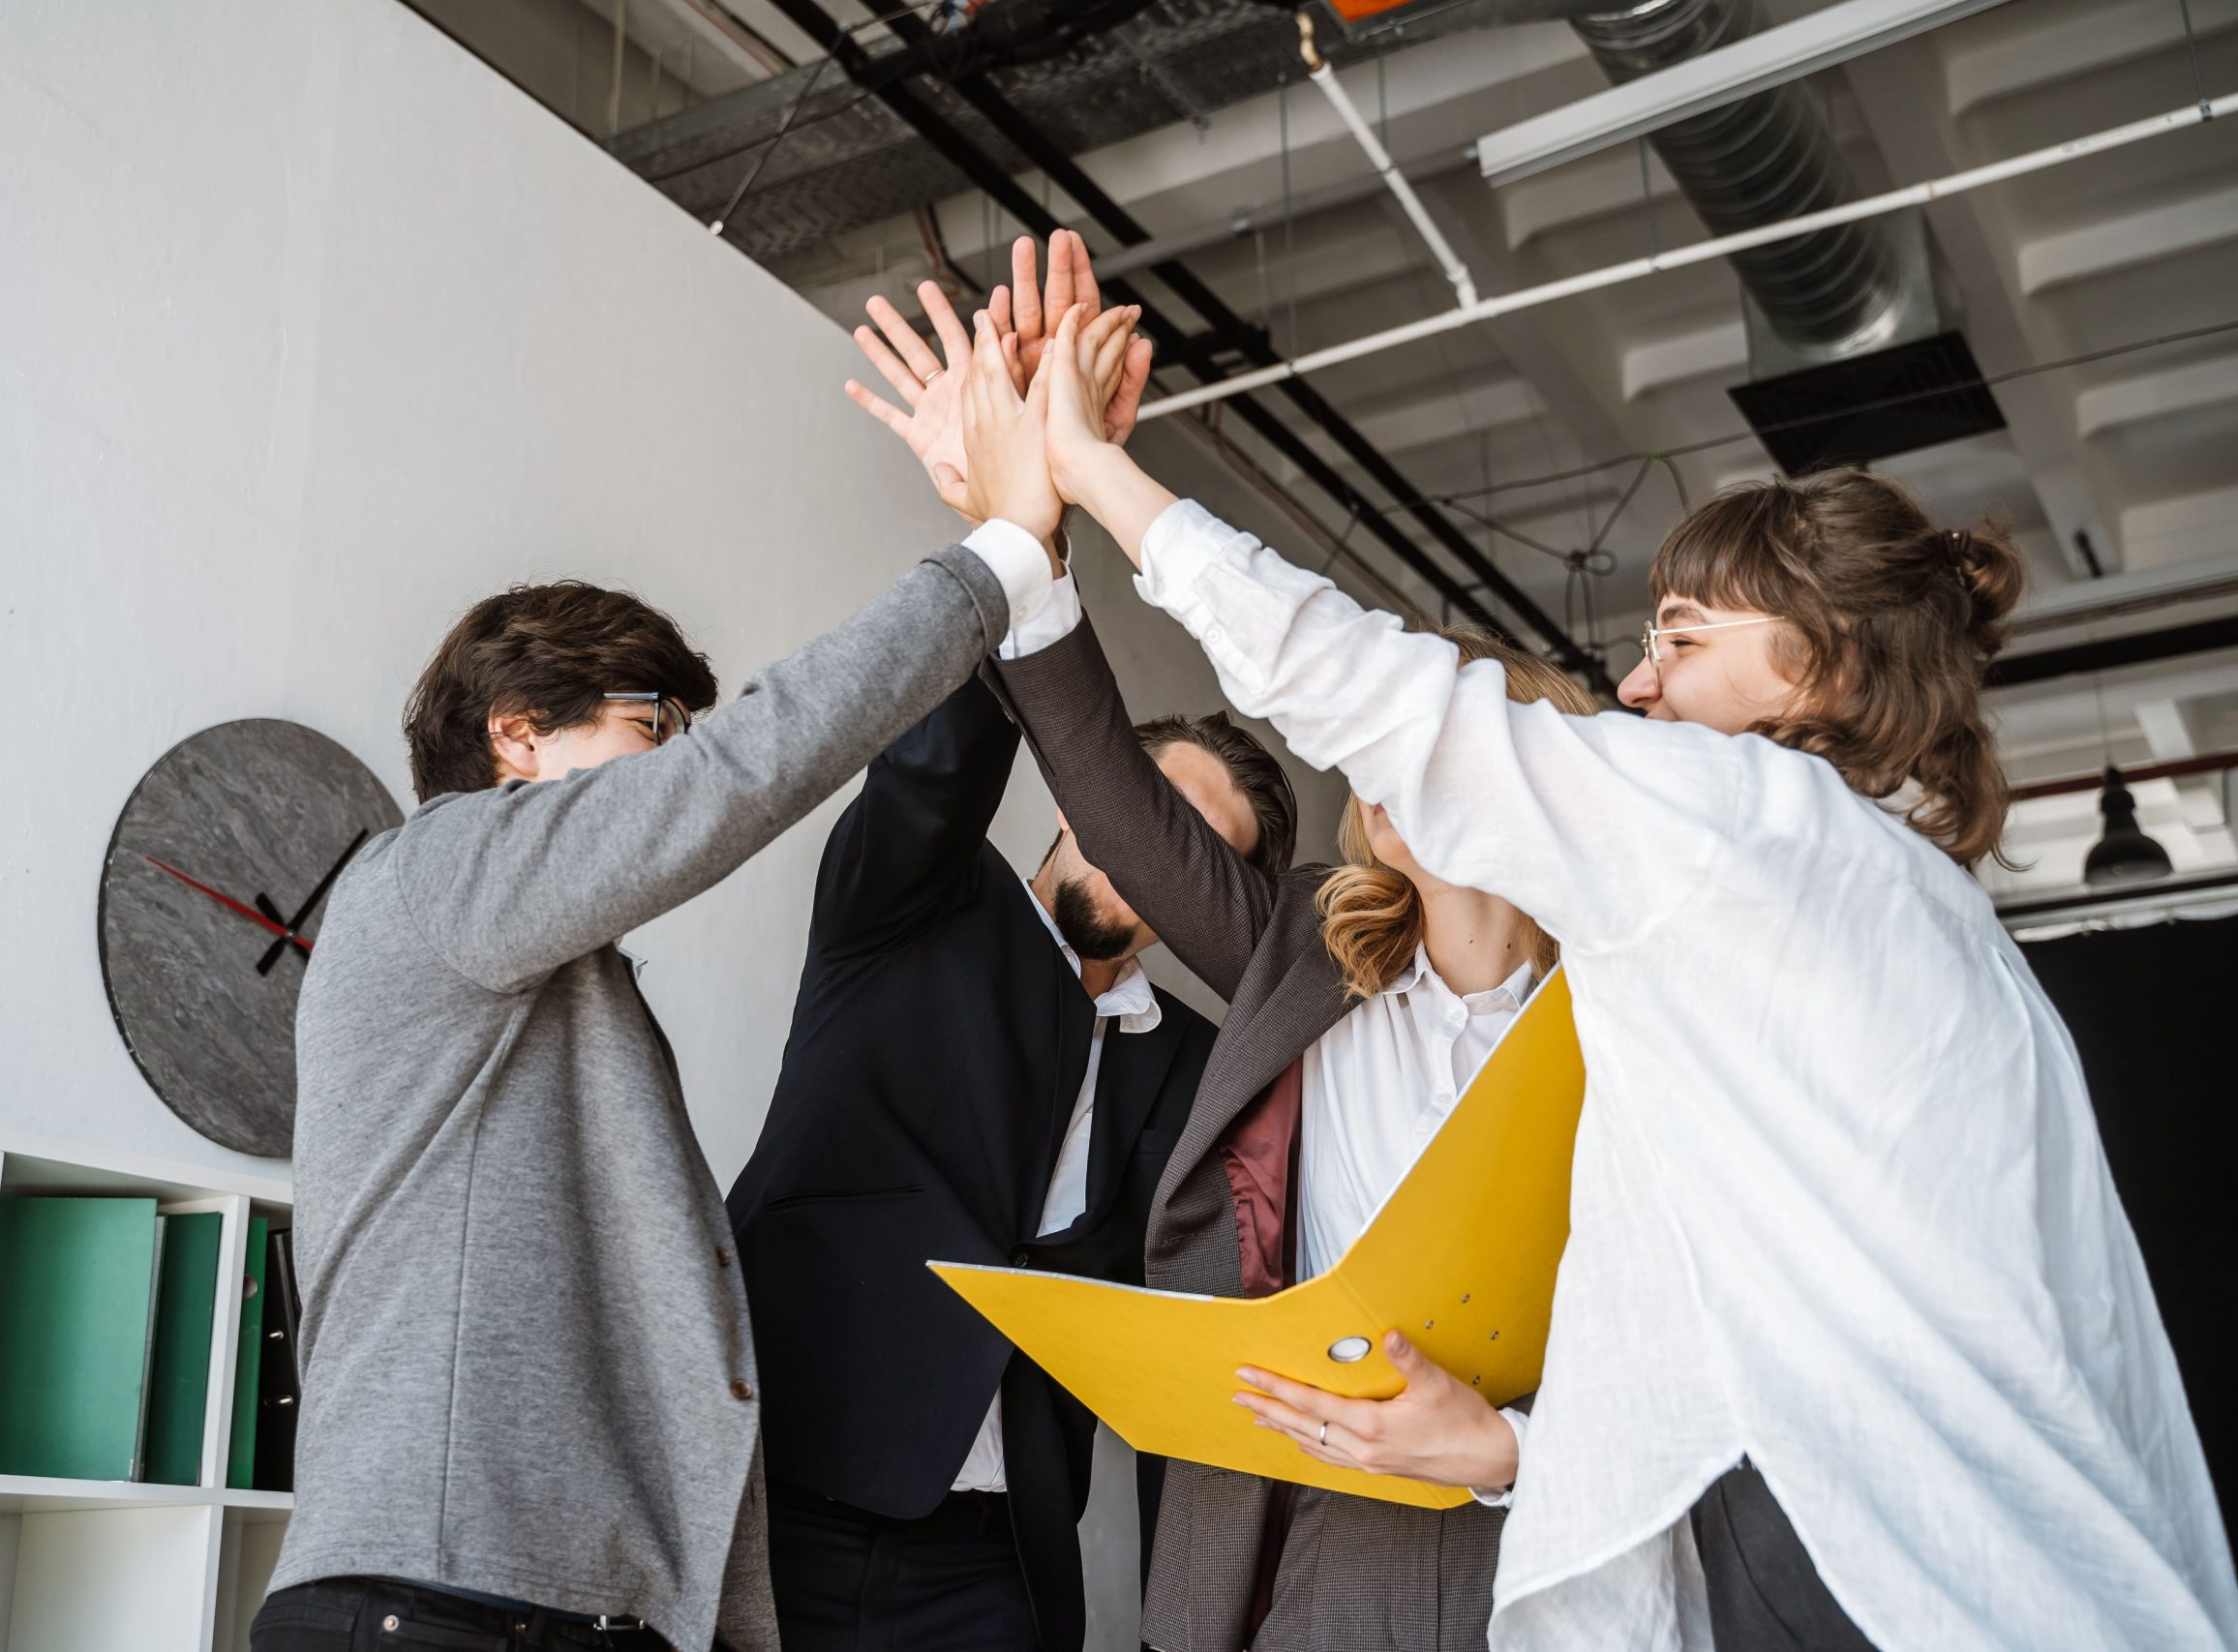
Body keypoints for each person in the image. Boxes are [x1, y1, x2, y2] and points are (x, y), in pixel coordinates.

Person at [956, 302, 2238, 1649]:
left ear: (1835, 663)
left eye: (1684, 638)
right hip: (1824, 1547)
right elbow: (1713, 1349)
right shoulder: (1846, 936)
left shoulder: (1748, 825)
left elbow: (1377, 693)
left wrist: (1089, 466)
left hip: (1860, 1563)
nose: (1638, 684)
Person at [253, 513, 1066, 1651]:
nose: (682, 753)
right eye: (656, 724)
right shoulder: (432, 871)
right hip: (445, 1601)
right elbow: (740, 773)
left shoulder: (534, 968)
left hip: (540, 1602)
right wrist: (999, 560)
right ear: (519, 737)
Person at [733, 234, 1296, 1652]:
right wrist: (1029, 518)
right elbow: (935, 759)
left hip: (1002, 1561)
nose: (1144, 851)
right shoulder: (919, 900)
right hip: (789, 1485)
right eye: (1140, 803)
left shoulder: (1202, 1070)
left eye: (1194, 851)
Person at [984, 592, 1594, 1651]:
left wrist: (1516, 1451)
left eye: (1425, 736)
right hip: (1282, 1511)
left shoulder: (1625, 1014)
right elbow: (1121, 810)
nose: (1383, 762)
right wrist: (1027, 565)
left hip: (1521, 1524)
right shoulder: (1303, 949)